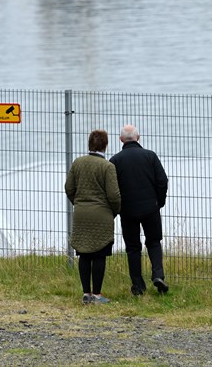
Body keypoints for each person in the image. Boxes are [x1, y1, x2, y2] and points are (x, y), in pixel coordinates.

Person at [110, 124, 169, 295]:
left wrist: (118, 207)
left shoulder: (115, 161)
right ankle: (158, 275)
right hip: (151, 207)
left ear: (121, 139)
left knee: (133, 247)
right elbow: (162, 181)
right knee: (154, 241)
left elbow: (112, 188)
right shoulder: (150, 156)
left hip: (127, 210)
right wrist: (159, 201)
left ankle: (138, 286)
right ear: (138, 137)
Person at [65, 129, 121, 304]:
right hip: (101, 214)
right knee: (99, 254)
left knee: (84, 254)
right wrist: (114, 210)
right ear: (105, 145)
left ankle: (85, 293)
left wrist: (78, 202)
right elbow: (113, 195)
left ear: (89, 144)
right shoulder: (108, 167)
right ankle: (97, 295)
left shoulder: (77, 163)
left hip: (81, 213)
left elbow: (69, 188)